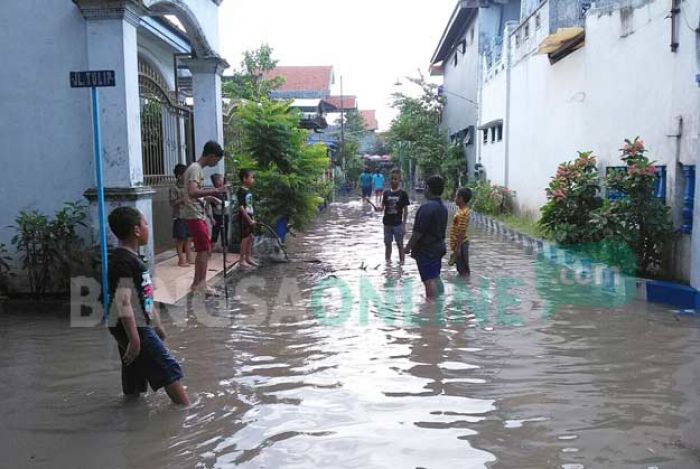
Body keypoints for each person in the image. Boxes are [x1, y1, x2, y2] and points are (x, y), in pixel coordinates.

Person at [107, 206, 190, 406]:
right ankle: (186, 411)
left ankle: (131, 415)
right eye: (145, 223)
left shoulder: (134, 259)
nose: (147, 227)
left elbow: (146, 296)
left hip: (136, 325)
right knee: (169, 370)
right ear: (136, 230)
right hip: (134, 327)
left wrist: (158, 325)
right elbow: (123, 300)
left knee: (134, 375)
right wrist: (135, 339)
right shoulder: (122, 262)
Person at [182, 141, 227, 294]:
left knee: (204, 248)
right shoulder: (195, 169)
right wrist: (215, 191)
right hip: (194, 214)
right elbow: (193, 192)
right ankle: (200, 284)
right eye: (217, 160)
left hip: (196, 212)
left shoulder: (196, 169)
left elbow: (195, 193)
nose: (216, 163)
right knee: (204, 249)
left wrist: (209, 197)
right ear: (211, 156)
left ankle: (198, 283)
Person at [405, 175, 448, 300]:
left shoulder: (426, 208)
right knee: (435, 276)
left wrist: (407, 247)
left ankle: (430, 308)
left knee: (428, 280)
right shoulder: (443, 208)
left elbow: (417, 233)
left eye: (424, 187)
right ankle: (440, 299)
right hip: (438, 247)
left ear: (428, 188)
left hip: (427, 251)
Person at [380, 168, 410, 264]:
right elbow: (382, 207)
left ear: (399, 180)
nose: (393, 181)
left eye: (395, 179)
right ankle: (388, 264)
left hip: (398, 224)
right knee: (387, 244)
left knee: (400, 244)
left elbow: (406, 211)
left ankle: (401, 264)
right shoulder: (386, 193)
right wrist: (378, 209)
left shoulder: (403, 194)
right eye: (392, 179)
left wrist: (404, 225)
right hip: (387, 223)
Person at [169, 164, 193, 267]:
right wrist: (184, 199)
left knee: (189, 238)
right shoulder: (174, 188)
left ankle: (189, 258)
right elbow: (172, 203)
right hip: (180, 216)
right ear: (179, 176)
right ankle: (181, 260)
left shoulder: (188, 187)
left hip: (189, 215)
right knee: (180, 239)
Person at [448, 187, 472, 276]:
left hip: (461, 244)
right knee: (461, 269)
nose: (454, 199)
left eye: (456, 197)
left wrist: (458, 248)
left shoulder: (463, 213)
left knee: (463, 271)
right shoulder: (461, 211)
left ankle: (466, 286)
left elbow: (461, 231)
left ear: (461, 199)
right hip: (459, 244)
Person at [237, 169, 257, 268]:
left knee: (250, 237)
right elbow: (241, 208)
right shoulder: (241, 191)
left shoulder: (248, 191)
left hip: (250, 216)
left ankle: (248, 257)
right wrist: (248, 219)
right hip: (244, 218)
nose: (253, 180)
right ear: (245, 179)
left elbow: (249, 205)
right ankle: (241, 260)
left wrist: (252, 217)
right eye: (252, 177)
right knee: (245, 239)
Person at [209, 173, 229, 251]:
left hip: (225, 214)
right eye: (221, 179)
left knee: (225, 235)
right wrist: (211, 218)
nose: (223, 180)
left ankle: (225, 254)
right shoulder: (214, 192)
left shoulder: (224, 190)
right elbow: (210, 207)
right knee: (215, 235)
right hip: (217, 216)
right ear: (217, 181)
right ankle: (209, 252)